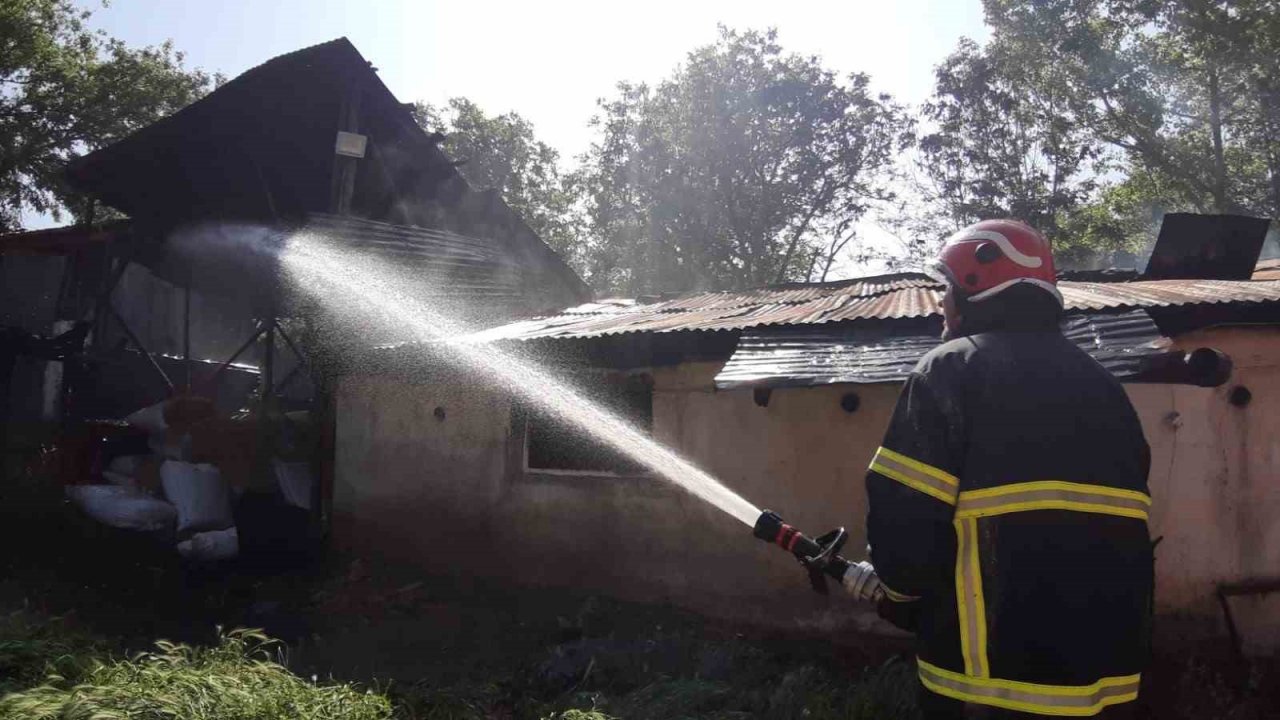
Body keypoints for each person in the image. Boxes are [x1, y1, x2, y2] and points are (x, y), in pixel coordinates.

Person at [863, 220, 1153, 718]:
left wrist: (897, 593)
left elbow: (905, 521)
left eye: (945, 291)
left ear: (974, 289)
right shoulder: (1106, 389)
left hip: (985, 687)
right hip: (1107, 685)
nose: (940, 305)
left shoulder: (949, 371)